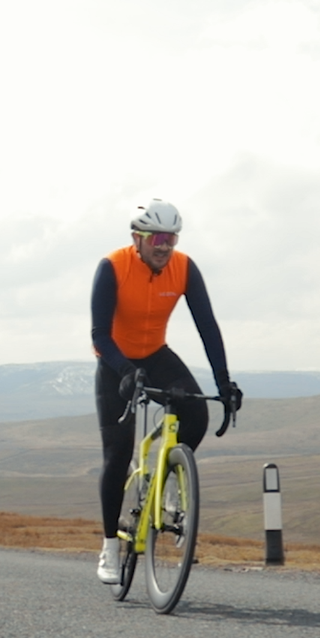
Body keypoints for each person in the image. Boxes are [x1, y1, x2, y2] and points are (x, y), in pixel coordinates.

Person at [90, 199, 242, 583]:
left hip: (156, 355)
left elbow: (208, 327)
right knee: (117, 454)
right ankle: (109, 547)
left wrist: (223, 383)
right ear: (137, 239)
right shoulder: (112, 267)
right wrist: (124, 370)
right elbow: (100, 335)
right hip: (115, 364)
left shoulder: (184, 268)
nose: (164, 246)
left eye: (171, 238)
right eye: (157, 238)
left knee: (196, 415)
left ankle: (170, 482)